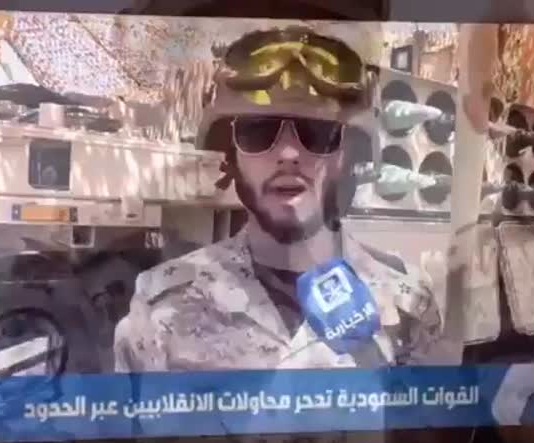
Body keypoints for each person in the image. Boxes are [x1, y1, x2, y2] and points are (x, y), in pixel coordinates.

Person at [113, 25, 461, 373]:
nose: (289, 154)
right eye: (259, 132)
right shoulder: (161, 308)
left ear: (349, 155)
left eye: (318, 134)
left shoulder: (406, 303)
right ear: (231, 153)